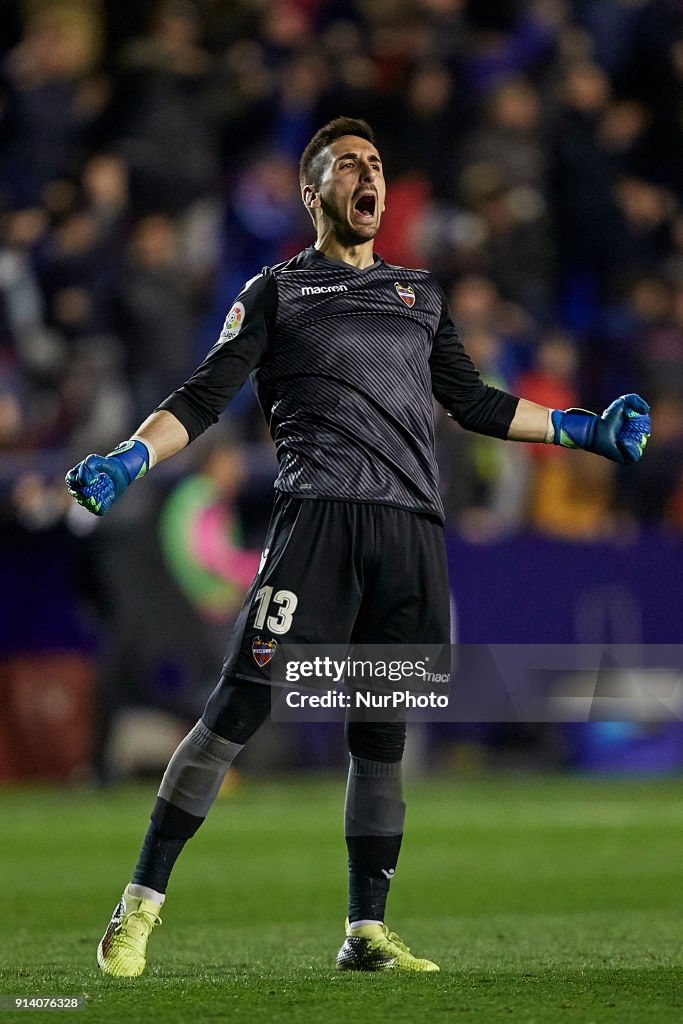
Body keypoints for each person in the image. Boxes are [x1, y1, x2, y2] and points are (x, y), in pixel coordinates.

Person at [65, 117, 651, 976]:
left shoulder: (420, 292)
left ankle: (364, 931)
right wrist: (129, 455)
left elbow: (476, 403)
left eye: (375, 163)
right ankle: (139, 905)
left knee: (381, 735)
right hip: (318, 525)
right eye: (348, 166)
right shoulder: (276, 292)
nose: (367, 175)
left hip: (410, 531)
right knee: (235, 710)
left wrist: (582, 429)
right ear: (315, 194)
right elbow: (203, 396)